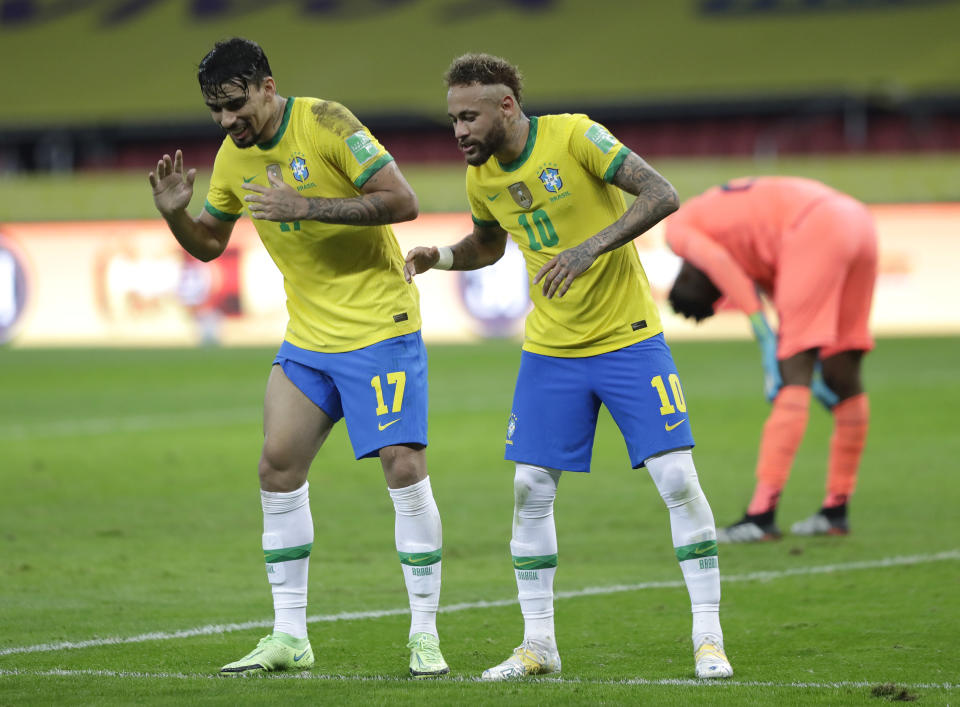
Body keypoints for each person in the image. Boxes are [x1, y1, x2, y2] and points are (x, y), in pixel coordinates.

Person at [404, 53, 733, 681]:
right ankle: (540, 646)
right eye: (452, 120)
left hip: (629, 340)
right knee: (530, 488)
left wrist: (589, 247)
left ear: (506, 107)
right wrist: (442, 256)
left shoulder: (575, 135)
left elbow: (662, 193)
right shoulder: (481, 179)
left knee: (677, 479)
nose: (459, 132)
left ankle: (709, 637)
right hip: (551, 351)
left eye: (469, 117)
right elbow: (490, 244)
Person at [148, 37, 449, 678]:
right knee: (277, 466)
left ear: (266, 86)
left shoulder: (328, 122)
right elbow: (208, 244)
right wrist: (177, 218)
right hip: (309, 339)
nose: (228, 122)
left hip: (379, 326)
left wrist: (305, 206)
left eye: (235, 105)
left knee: (402, 464)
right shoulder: (233, 158)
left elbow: (404, 201)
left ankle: (425, 634)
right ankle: (290, 636)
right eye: (214, 111)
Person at [665, 176, 875, 542]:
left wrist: (765, 338)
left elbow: (717, 261)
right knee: (843, 374)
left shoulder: (679, 230)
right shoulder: (739, 234)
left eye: (713, 292)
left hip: (814, 227)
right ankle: (835, 509)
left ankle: (760, 516)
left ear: (687, 267)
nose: (720, 293)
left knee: (792, 374)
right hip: (856, 219)